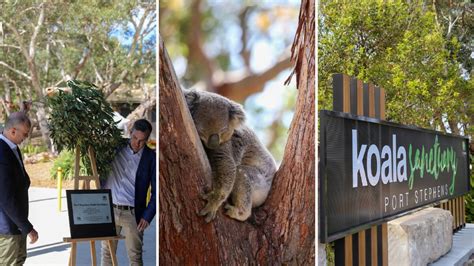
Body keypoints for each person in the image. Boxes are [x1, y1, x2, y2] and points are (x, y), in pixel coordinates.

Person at [101, 119, 156, 266]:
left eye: (141, 141)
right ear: (130, 133)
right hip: (109, 210)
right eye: (134, 138)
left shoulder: (151, 158)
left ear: (147, 140)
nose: (136, 143)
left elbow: (158, 192)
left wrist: (147, 215)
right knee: (107, 254)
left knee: (135, 257)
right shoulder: (115, 146)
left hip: (133, 214)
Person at [0, 112, 39, 265]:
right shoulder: (1, 152)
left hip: (17, 223)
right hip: (7, 226)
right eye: (25, 134)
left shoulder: (11, 146)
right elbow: (5, 197)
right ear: (13, 131)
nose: (26, 137)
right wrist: (27, 227)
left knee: (19, 261)